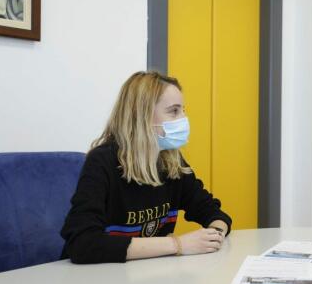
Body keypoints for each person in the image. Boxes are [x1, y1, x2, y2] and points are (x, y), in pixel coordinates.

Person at [61, 71, 232, 263]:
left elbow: (214, 213)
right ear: (141, 115)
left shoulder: (172, 161)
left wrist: (214, 235)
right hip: (96, 282)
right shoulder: (102, 162)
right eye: (174, 111)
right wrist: (177, 245)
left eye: (183, 110)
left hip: (146, 278)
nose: (183, 119)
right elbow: (83, 244)